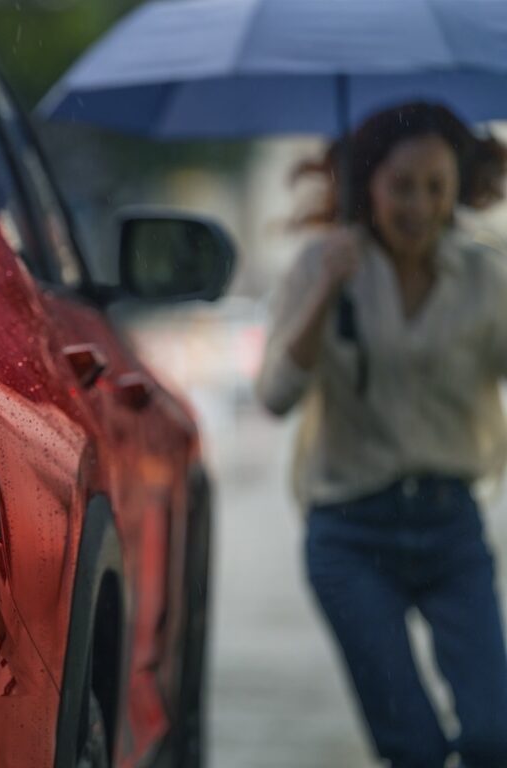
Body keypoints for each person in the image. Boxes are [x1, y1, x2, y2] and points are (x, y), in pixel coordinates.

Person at [257, 101, 507, 768]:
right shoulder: (324, 264)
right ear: (368, 184)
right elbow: (276, 397)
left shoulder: (485, 277)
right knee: (415, 751)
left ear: (458, 190)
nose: (419, 206)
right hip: (351, 535)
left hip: (451, 526)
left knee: (494, 736)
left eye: (436, 187)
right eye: (402, 186)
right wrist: (323, 295)